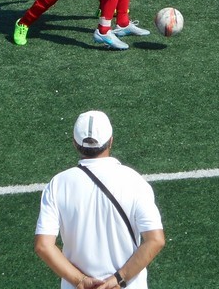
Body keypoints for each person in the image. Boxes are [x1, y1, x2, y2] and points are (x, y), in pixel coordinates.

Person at [35, 110, 165, 289]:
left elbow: (43, 245)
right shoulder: (134, 181)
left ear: (74, 143)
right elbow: (155, 240)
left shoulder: (58, 184)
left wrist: (80, 280)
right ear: (111, 140)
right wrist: (118, 279)